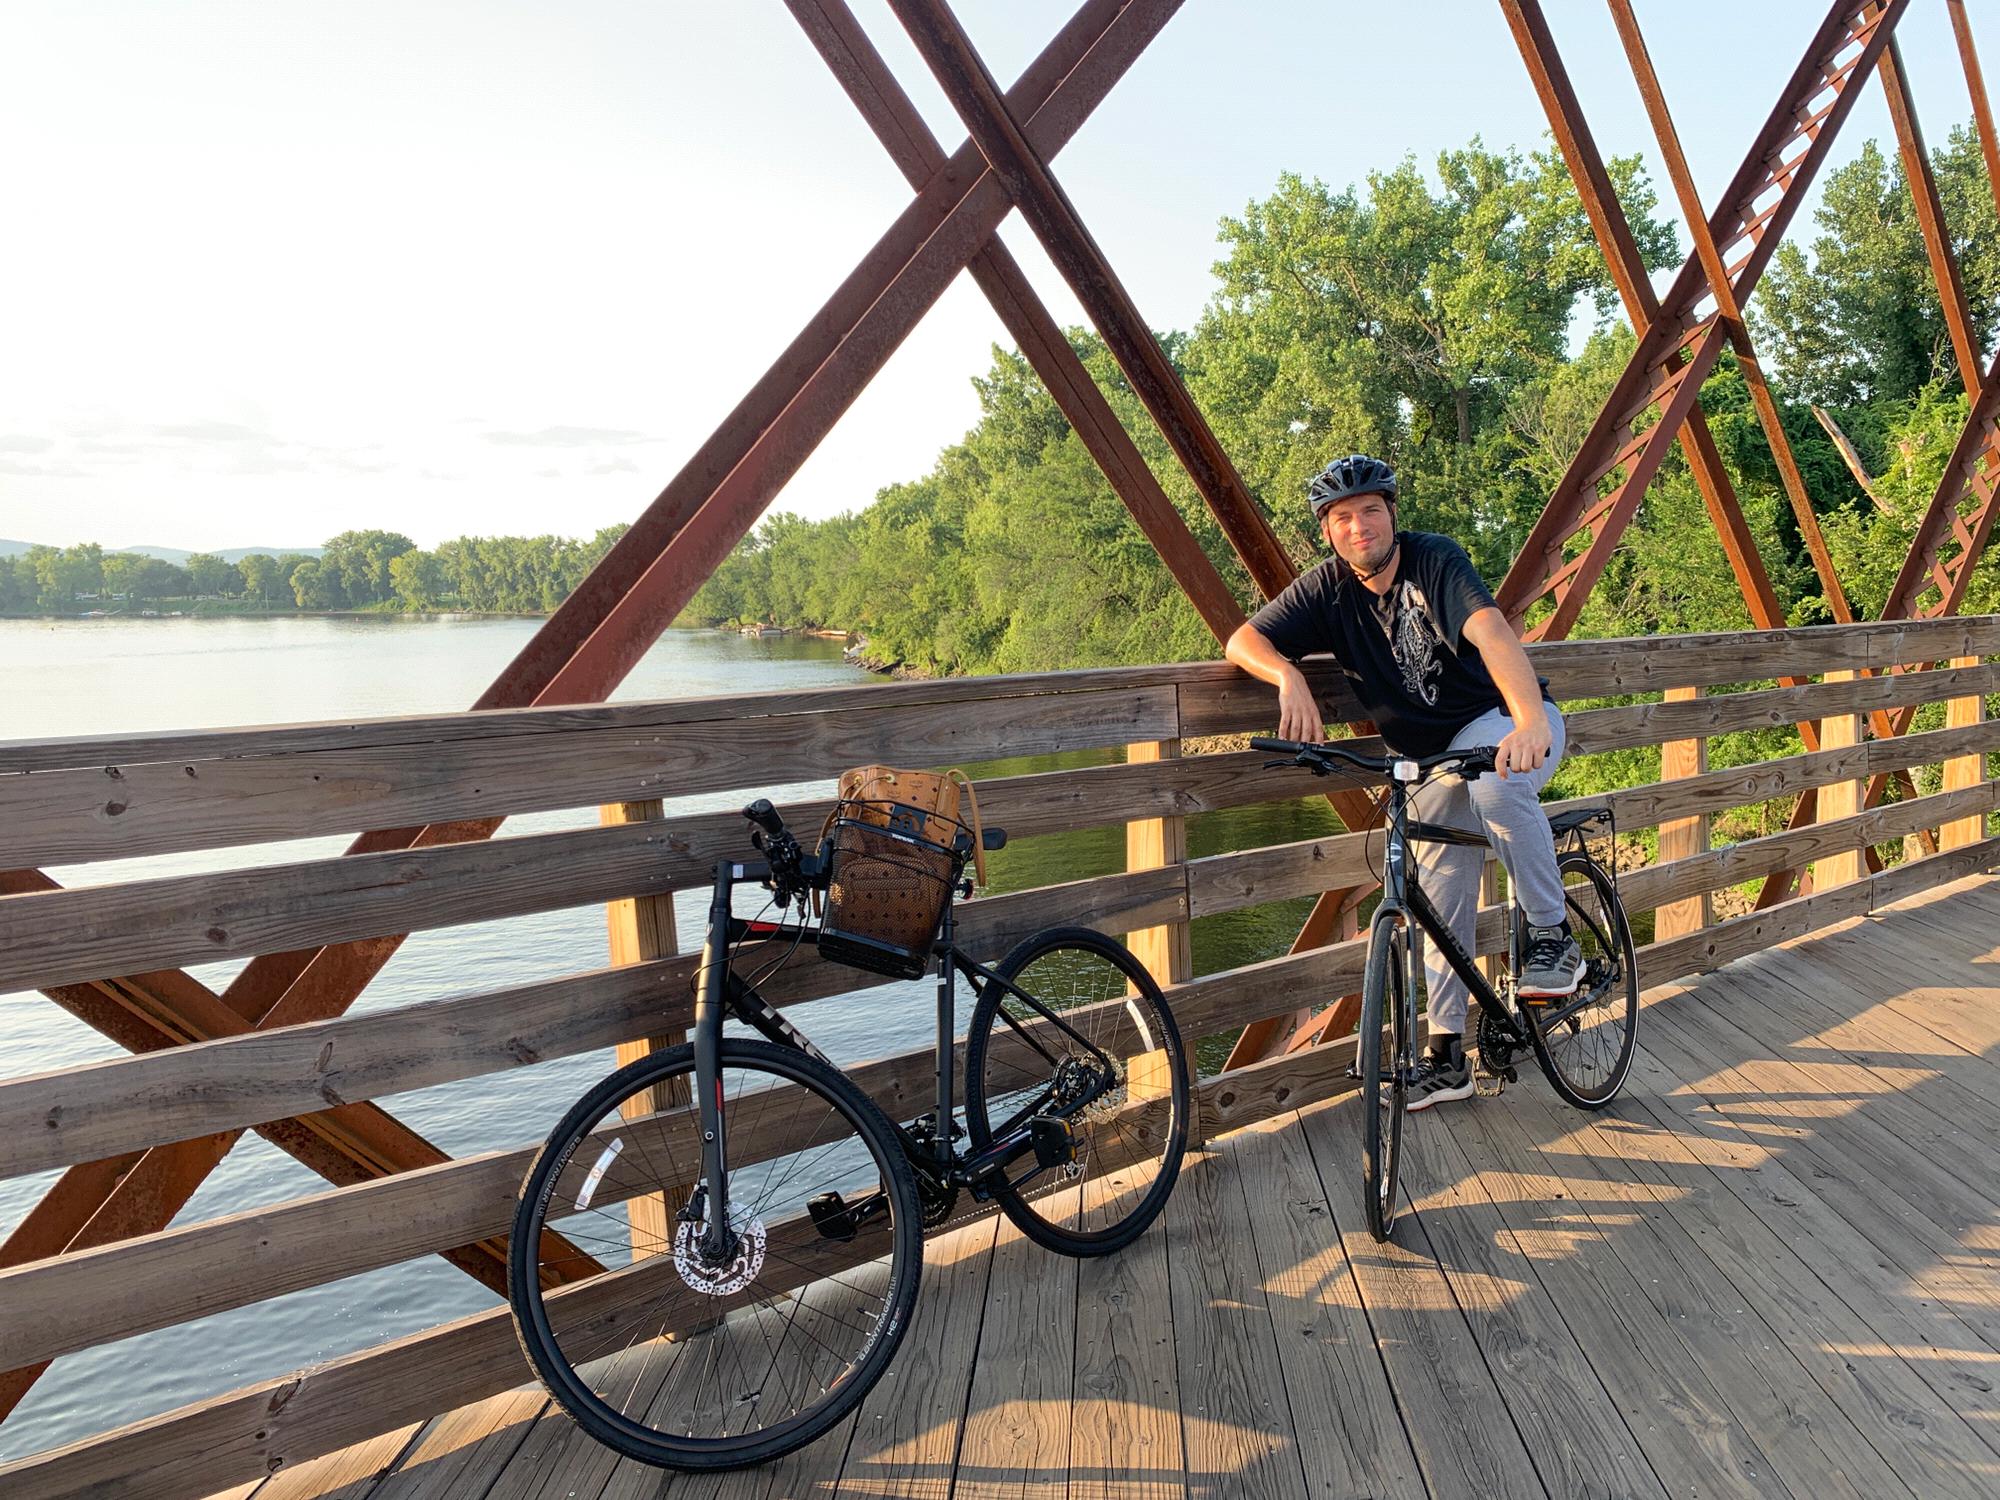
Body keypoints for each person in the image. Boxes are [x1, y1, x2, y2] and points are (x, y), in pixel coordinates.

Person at [1224, 453, 1581, 1110]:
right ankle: (1447, 1056)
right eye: (1341, 518)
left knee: (1498, 789)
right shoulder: (1325, 589)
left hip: (1500, 721)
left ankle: (1555, 936)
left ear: (1391, 514)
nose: (1357, 526)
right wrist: (1288, 676)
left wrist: (1528, 719)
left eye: (1368, 510)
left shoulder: (1434, 559)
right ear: (1328, 532)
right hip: (1427, 758)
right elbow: (1241, 640)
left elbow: (1493, 632)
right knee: (1439, 903)